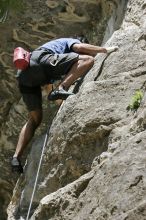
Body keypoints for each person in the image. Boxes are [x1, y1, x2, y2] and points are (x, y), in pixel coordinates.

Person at [11, 36, 118, 173]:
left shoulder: (54, 56)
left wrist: (60, 98)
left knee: (34, 119)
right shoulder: (70, 41)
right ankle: (63, 87)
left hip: (23, 77)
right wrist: (103, 50)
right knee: (87, 59)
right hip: (38, 60)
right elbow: (79, 48)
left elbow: (53, 94)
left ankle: (16, 157)